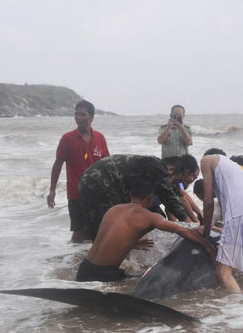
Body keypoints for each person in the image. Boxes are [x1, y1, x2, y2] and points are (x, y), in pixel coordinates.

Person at [76, 179, 216, 282]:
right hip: (105, 276)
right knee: (146, 285)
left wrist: (131, 242)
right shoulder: (150, 217)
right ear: (150, 198)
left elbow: (106, 236)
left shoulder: (113, 209)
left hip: (84, 269)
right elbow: (182, 230)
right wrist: (207, 245)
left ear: (130, 194)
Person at [198, 154, 243, 292]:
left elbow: (208, 201)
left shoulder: (206, 160)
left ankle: (240, 310)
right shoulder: (239, 171)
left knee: (222, 272)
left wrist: (206, 232)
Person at [78, 154, 188, 240]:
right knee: (111, 226)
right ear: (171, 169)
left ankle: (98, 258)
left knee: (98, 227)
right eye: (175, 179)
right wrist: (189, 225)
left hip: (86, 180)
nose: (171, 182)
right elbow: (170, 198)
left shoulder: (150, 164)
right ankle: (110, 261)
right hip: (102, 182)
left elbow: (172, 195)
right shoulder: (159, 168)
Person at [47, 100, 109, 243]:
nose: (78, 117)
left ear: (91, 117)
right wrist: (52, 190)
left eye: (83, 114)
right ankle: (73, 259)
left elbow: (107, 165)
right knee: (79, 232)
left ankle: (91, 258)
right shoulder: (67, 138)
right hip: (76, 194)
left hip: (97, 193)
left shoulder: (100, 138)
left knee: (99, 229)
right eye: (76, 114)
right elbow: (57, 164)